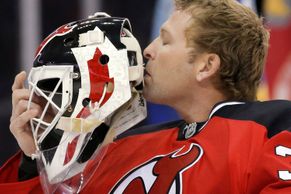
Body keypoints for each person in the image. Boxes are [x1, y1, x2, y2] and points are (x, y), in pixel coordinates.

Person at [0, 0, 291, 193]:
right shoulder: (122, 148)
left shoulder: (271, 130)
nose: (148, 50)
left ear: (206, 66)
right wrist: (33, 157)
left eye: (165, 40)